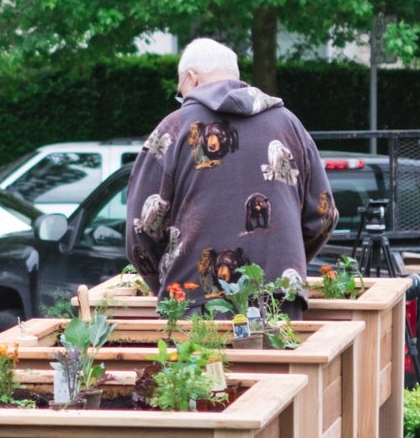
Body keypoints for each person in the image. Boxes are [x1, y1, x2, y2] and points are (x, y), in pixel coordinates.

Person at [123, 37, 337, 301]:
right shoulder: (289, 125)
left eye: (181, 92)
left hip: (197, 305)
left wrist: (168, 285)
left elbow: (140, 229)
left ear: (192, 78)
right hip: (279, 303)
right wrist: (282, 263)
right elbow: (324, 217)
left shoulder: (173, 130)